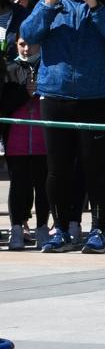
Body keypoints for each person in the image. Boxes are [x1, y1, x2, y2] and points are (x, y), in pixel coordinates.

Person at [20, 0, 105, 253]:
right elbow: (28, 35)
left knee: (96, 168)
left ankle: (98, 228)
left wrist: (94, 5)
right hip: (55, 95)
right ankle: (61, 229)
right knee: (56, 169)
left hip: (94, 96)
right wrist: (48, 1)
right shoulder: (51, 3)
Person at [3, 37, 48, 248]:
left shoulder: (48, 65)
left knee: (43, 185)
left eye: (32, 43)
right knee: (18, 185)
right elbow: (4, 103)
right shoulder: (9, 68)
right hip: (16, 138)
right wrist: (25, 93)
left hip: (42, 138)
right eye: (22, 44)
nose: (27, 49)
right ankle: (16, 229)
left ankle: (42, 229)